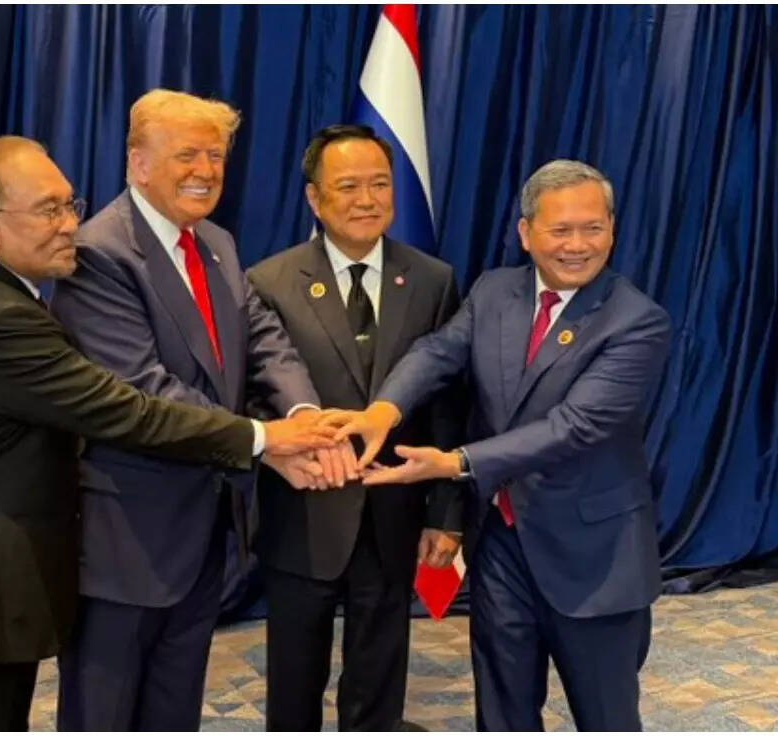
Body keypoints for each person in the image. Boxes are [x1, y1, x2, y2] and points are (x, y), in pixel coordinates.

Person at [0, 136, 334, 732]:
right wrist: (264, 440)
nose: (70, 225)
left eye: (70, 205)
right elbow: (128, 411)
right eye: (48, 210)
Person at [49, 89, 354, 731]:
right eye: (187, 155)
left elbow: (262, 336)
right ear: (138, 163)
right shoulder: (99, 252)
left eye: (215, 156)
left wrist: (302, 414)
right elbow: (144, 391)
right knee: (104, 715)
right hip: (127, 538)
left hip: (204, 529)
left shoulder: (214, 240)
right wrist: (267, 441)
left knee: (174, 709)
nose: (206, 171)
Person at [332, 159, 672, 731]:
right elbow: (438, 352)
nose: (577, 245)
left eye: (593, 228)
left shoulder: (637, 321)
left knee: (606, 718)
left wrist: (454, 463)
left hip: (593, 557)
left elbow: (573, 427)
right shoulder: (494, 291)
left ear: (612, 231)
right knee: (502, 712)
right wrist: (383, 411)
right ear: (526, 232)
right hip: (501, 546)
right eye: (560, 230)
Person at [245, 124, 468, 731]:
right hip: (303, 513)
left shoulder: (433, 279)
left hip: (394, 513)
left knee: (378, 677)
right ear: (314, 198)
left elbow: (447, 405)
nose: (368, 200)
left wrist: (445, 514)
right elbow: (253, 395)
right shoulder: (269, 281)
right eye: (348, 187)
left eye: (380, 184)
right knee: (294, 681)